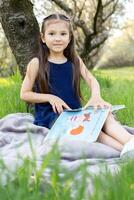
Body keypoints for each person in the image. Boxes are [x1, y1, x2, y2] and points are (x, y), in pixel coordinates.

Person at [20, 13, 134, 156]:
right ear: (43, 38)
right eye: (52, 34)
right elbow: (24, 94)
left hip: (76, 113)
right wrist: (50, 97)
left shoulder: (74, 61)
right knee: (92, 130)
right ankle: (124, 150)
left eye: (63, 34)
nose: (57, 38)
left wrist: (96, 97)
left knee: (106, 116)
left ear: (69, 38)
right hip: (53, 117)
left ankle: (130, 141)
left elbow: (92, 80)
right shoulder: (36, 63)